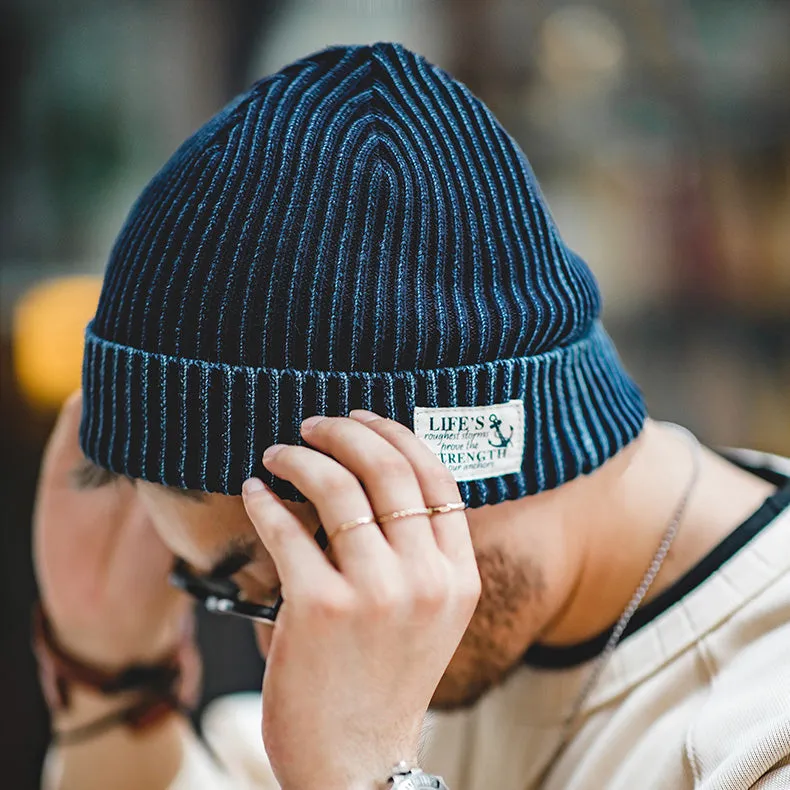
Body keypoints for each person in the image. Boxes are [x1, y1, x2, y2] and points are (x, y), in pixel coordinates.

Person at [32, 43, 790, 790]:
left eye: (320, 555)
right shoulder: (409, 662)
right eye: (236, 593)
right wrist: (110, 685)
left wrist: (367, 777)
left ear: (474, 446)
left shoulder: (759, 735)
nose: (282, 651)